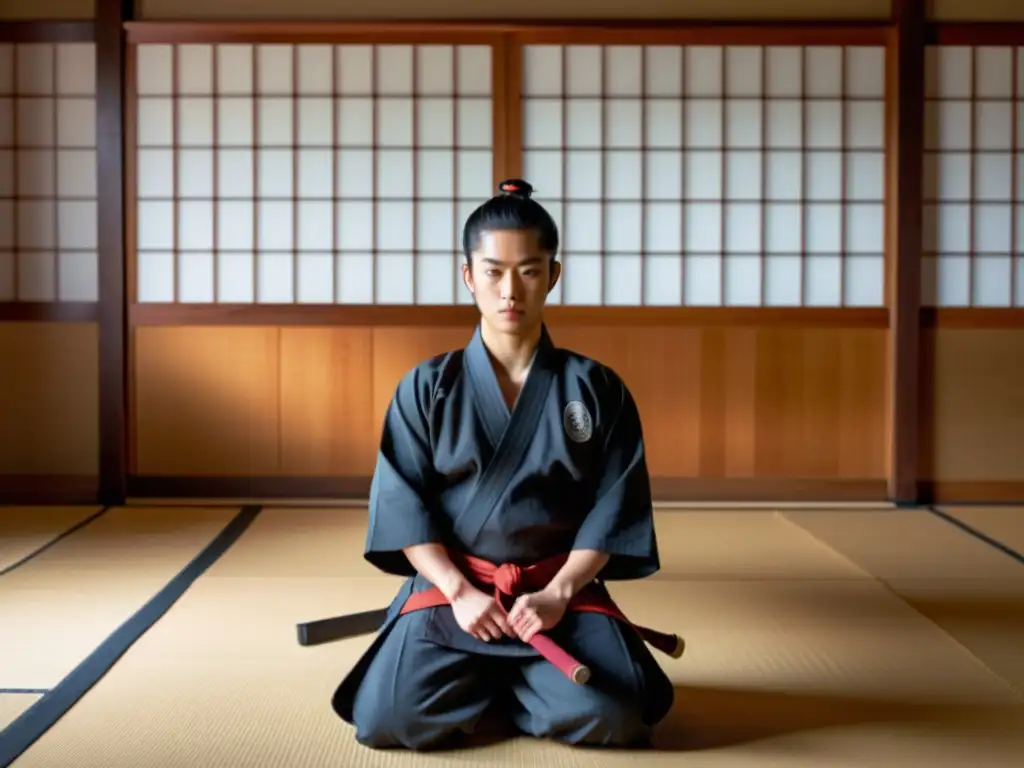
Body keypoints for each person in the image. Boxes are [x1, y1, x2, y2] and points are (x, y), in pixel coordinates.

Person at [330, 178, 678, 751]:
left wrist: (561, 592)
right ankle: (516, 683)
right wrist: (458, 589)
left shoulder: (595, 388)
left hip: (554, 596)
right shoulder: (427, 387)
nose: (509, 289)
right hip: (458, 593)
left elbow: (615, 506)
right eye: (492, 271)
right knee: (388, 720)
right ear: (469, 276)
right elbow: (403, 503)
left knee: (617, 718)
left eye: (529, 271)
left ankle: (493, 685)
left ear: (553, 275)